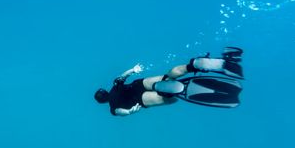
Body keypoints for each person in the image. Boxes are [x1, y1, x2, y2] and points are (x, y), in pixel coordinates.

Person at [94, 47, 244, 116]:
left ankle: (167, 92)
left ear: (103, 102)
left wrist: (129, 111)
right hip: (138, 84)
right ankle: (193, 65)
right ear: (105, 91)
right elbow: (122, 76)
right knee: (168, 76)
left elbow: (121, 112)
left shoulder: (113, 108)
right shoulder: (114, 86)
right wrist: (133, 69)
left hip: (139, 99)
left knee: (170, 100)